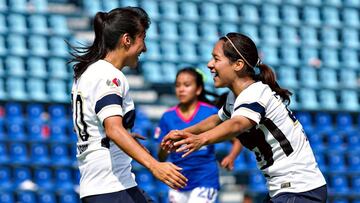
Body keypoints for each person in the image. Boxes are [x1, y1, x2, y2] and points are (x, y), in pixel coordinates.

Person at [161, 33, 327, 203]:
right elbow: (216, 120)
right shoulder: (236, 97)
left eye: (216, 59)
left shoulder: (255, 94)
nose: (210, 64)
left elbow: (237, 124)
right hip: (285, 190)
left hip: (300, 190)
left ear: (238, 65)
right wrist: (182, 133)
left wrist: (200, 140)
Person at [69, 7, 187, 203]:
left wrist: (126, 138)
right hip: (112, 188)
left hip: (97, 187)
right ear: (127, 39)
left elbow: (95, 128)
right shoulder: (110, 76)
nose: (145, 47)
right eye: (143, 38)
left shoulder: (88, 73)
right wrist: (155, 165)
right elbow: (113, 129)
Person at [155, 68, 242, 203]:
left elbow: (236, 140)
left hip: (205, 179)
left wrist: (231, 157)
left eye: (187, 85)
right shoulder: (167, 117)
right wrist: (165, 148)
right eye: (178, 85)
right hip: (177, 182)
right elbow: (160, 158)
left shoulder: (211, 113)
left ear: (198, 89)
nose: (181, 89)